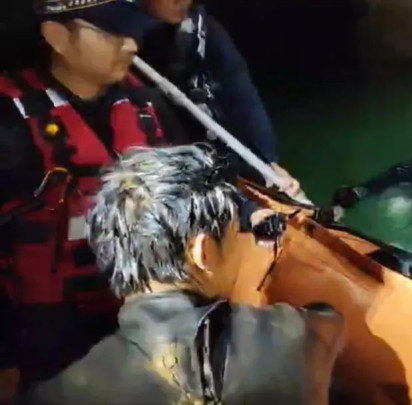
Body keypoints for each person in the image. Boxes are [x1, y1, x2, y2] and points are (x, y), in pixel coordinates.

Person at [21, 145, 346, 404]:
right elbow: (332, 323)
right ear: (202, 252)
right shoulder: (290, 337)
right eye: (237, 232)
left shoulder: (60, 392)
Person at [0, 0, 189, 387]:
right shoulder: (9, 126)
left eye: (131, 30)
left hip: (146, 321)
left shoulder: (149, 107)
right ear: (56, 36)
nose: (131, 44)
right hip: (44, 339)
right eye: (112, 32)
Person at [139, 0, 303, 197]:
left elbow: (243, 98)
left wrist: (268, 161)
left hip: (221, 155)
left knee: (288, 196)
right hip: (172, 171)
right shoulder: (126, 44)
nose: (181, 1)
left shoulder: (205, 31)